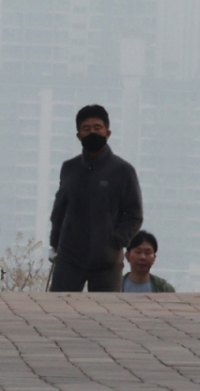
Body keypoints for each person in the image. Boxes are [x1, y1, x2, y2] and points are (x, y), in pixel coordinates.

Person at [49, 104, 144, 292]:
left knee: (106, 316)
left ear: (108, 133)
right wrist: (55, 243)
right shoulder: (70, 168)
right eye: (86, 129)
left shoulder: (123, 171)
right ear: (78, 135)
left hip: (107, 262)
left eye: (97, 128)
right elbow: (59, 210)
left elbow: (134, 214)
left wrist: (116, 240)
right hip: (69, 259)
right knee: (58, 312)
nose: (92, 132)